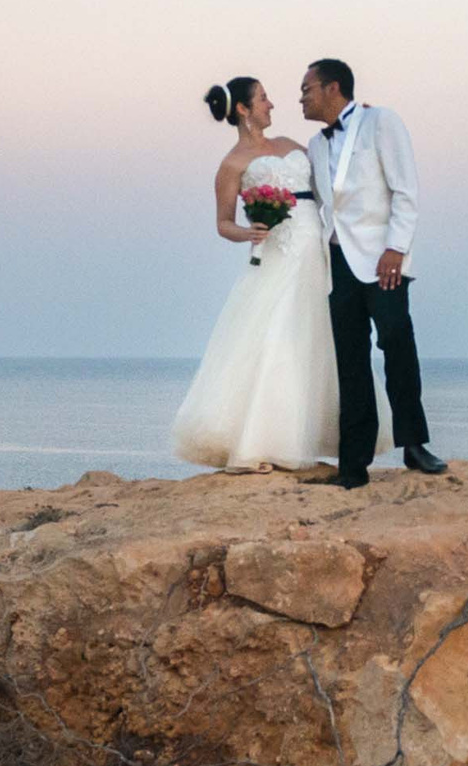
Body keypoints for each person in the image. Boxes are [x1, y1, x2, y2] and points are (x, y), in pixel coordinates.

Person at [169, 75, 341, 470]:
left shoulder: (291, 145)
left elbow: (328, 180)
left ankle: (319, 433)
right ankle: (265, 441)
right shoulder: (232, 164)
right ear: (244, 109)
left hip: (315, 249)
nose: (271, 104)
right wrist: (250, 231)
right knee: (279, 336)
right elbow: (223, 223)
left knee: (317, 337)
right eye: (263, 98)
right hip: (277, 253)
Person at [300, 58, 447, 487]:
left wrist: (396, 248)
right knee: (350, 362)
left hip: (384, 259)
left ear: (332, 88)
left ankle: (414, 445)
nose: (301, 98)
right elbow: (317, 202)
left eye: (307, 89)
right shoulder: (315, 144)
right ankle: (353, 465)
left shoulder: (382, 121)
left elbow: (405, 190)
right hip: (337, 262)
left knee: (397, 344)